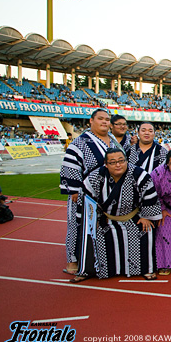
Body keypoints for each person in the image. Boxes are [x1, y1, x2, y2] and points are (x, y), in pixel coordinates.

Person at [71, 148, 162, 282]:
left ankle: (146, 269)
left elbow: (149, 197)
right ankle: (88, 269)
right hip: (105, 218)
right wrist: (92, 220)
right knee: (90, 233)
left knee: (146, 231)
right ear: (106, 164)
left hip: (132, 216)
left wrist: (146, 217)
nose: (118, 165)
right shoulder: (95, 177)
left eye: (121, 161)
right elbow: (86, 201)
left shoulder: (139, 175)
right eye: (113, 162)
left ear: (126, 161)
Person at [60, 109, 118, 275]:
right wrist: (75, 191)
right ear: (91, 121)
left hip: (108, 195)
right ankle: (72, 261)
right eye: (100, 119)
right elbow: (70, 168)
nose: (105, 122)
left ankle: (96, 260)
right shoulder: (80, 142)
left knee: (101, 228)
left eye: (107, 119)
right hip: (84, 193)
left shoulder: (113, 142)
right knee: (76, 226)